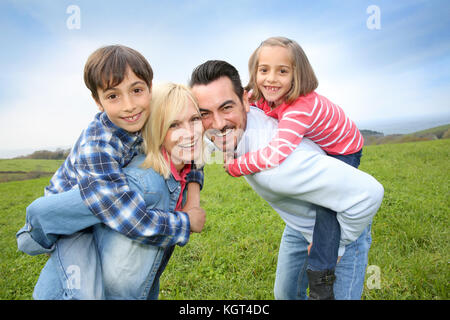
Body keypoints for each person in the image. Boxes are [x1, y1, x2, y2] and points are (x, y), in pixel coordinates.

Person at [16, 46, 205, 299]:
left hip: (98, 210)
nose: (128, 105)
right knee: (85, 292)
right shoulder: (99, 145)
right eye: (113, 96)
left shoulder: (140, 123)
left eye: (136, 90)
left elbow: (191, 153)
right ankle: (31, 236)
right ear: (98, 101)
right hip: (71, 222)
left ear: (149, 88)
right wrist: (185, 223)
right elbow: (129, 217)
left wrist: (192, 194)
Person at [189, 60, 384, 300]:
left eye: (226, 107)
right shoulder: (232, 125)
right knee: (286, 295)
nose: (217, 124)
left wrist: (335, 245)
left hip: (341, 221)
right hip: (300, 223)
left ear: (245, 101)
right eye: (205, 113)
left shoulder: (280, 169)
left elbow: (369, 193)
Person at [223, 37, 364, 299]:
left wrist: (237, 166)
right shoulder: (265, 94)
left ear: (297, 75)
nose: (271, 79)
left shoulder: (300, 107)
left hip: (344, 149)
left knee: (327, 207)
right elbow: (245, 98)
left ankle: (321, 284)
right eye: (264, 70)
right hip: (324, 146)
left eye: (282, 71)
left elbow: (277, 152)